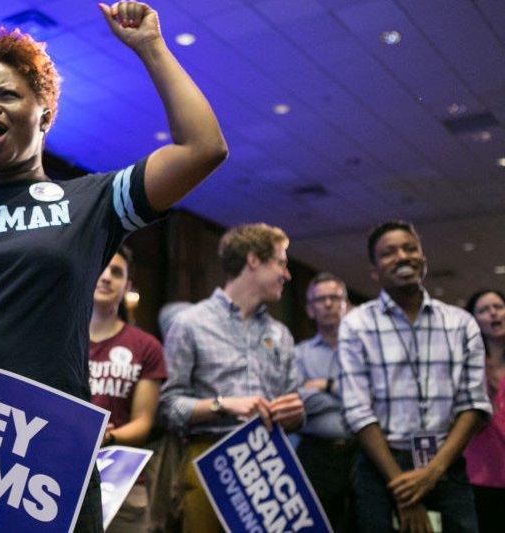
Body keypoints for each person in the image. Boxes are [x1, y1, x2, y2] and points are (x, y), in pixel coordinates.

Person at [0, 0, 227, 531]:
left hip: (44, 452)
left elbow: (203, 148)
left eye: (6, 95)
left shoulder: (90, 202)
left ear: (45, 111)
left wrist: (151, 46)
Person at [337, 220, 490, 532]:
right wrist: (404, 491)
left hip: (446, 465)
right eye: (388, 253)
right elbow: (357, 411)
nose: (402, 256)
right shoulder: (356, 325)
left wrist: (433, 472)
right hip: (381, 470)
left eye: (410, 248)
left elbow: (474, 405)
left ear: (423, 259)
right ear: (374, 270)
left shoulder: (462, 323)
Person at [159, 222, 304, 533]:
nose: (287, 274)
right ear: (253, 260)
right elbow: (168, 408)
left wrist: (295, 413)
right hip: (207, 459)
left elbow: (293, 404)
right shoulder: (189, 323)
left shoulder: (281, 334)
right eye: (281, 263)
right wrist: (225, 404)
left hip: (268, 463)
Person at [88, 246, 166, 532]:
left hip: (121, 480)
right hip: (64, 472)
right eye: (102, 268)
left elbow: (144, 423)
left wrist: (104, 438)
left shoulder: (146, 347)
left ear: (127, 287)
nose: (107, 277)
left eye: (117, 272)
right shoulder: (60, 337)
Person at [293, 272, 355, 532]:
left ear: (346, 305)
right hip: (315, 456)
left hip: (361, 453)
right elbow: (298, 400)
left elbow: (373, 397)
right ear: (310, 309)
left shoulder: (363, 350)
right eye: (321, 300)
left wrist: (327, 386)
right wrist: (348, 397)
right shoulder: (298, 354)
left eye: (335, 298)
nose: (328, 304)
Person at [463, 289, 505, 532]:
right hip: (479, 476)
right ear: (474, 320)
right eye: (484, 310)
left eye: (498, 307)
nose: (493, 313)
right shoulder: (469, 364)